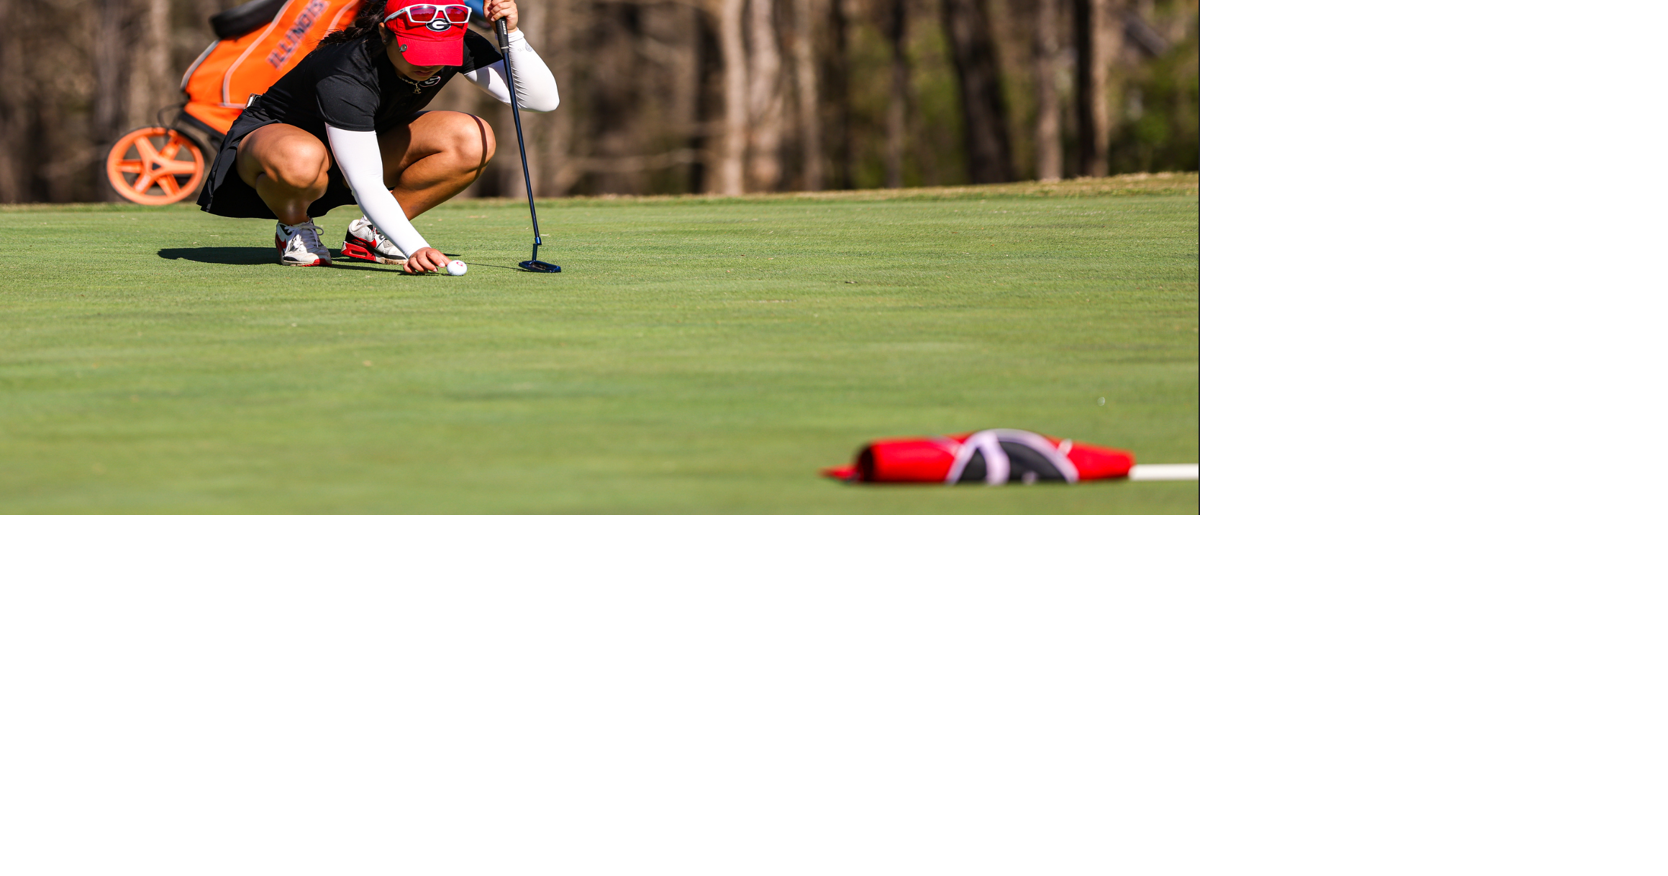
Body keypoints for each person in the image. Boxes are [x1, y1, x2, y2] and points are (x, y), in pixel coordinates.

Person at [196, 0, 559, 274]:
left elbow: (540, 100)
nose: (429, 63)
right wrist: (416, 246)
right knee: (302, 159)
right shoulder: (345, 69)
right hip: (274, 154)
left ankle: (371, 235)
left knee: (471, 137)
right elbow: (365, 180)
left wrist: (512, 33)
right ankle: (294, 227)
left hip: (361, 148)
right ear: (386, 33)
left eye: (439, 53)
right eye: (416, 50)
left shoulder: (459, 44)